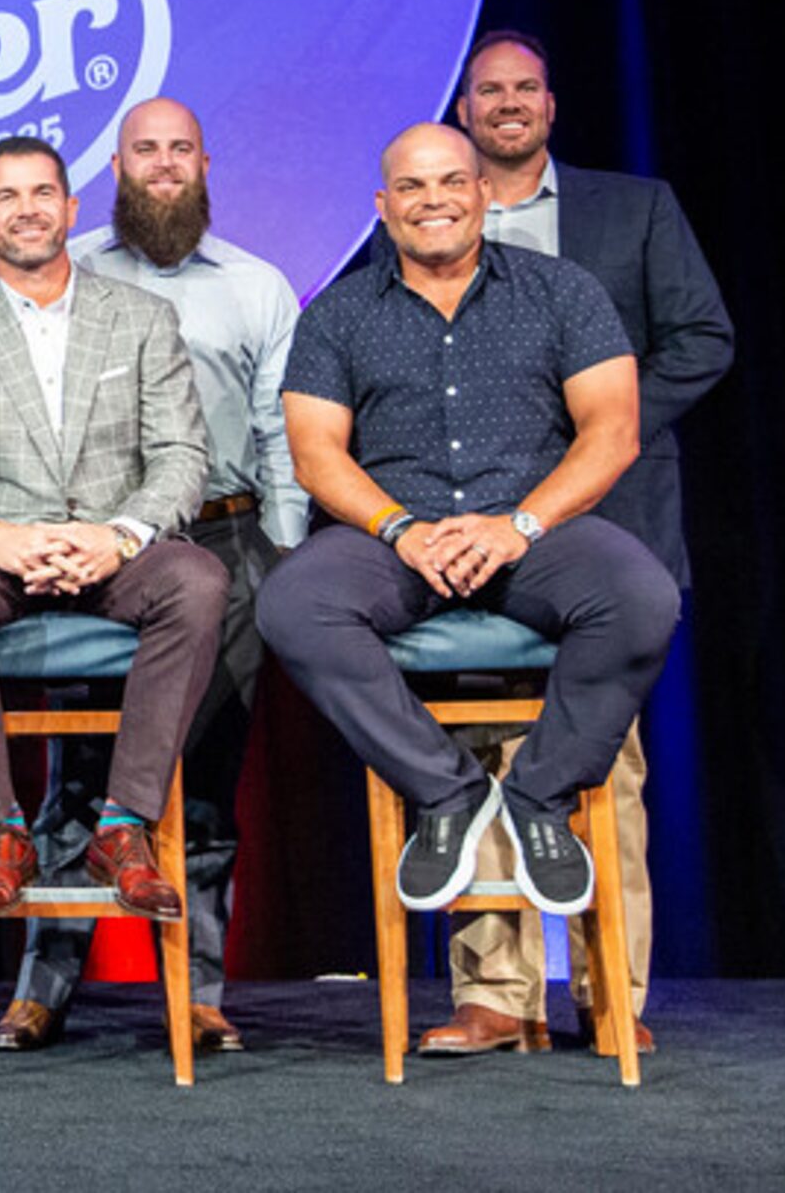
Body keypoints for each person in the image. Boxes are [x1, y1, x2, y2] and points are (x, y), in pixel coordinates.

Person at [260, 124, 679, 960]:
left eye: (452, 181)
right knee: (294, 603)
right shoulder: (339, 314)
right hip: (395, 538)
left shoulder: (562, 292)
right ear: (383, 209)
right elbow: (314, 453)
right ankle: (445, 795)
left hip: (532, 531)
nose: (434, 201)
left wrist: (518, 523)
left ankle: (538, 799)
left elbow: (612, 431)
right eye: (411, 188)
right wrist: (403, 530)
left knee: (642, 596)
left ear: (485, 191)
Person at [426, 30, 732, 1056]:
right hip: (472, 532)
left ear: (549, 106)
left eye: (524, 88)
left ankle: (612, 994)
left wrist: (598, 425)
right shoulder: (432, 214)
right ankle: (491, 996)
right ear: (462, 111)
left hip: (608, 527)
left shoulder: (630, 209)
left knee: (607, 768)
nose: (506, 104)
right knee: (473, 758)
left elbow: (701, 340)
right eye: (486, 91)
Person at [0, 99, 305, 1056]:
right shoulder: (70, 273)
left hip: (227, 538)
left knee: (206, 784)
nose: (162, 166)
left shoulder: (257, 286)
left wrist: (280, 561)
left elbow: (276, 434)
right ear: (116, 168)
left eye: (178, 150)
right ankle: (41, 990)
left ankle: (198, 994)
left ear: (204, 163)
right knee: (78, 779)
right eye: (143, 151)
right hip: (100, 556)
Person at [0, 134, 224, 937]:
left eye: (42, 193)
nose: (27, 210)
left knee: (200, 580)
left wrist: (119, 534)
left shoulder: (143, 319)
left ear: (72, 208)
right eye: (7, 197)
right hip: (3, 561)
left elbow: (182, 456)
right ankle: (1, 829)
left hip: (113, 552)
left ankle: (123, 826)